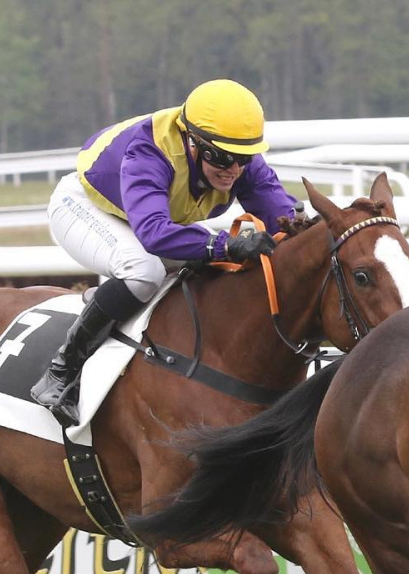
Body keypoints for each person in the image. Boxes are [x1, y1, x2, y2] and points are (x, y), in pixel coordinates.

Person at [31, 79, 296, 426]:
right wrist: (225, 244)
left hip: (147, 218)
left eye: (244, 158)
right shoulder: (150, 151)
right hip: (86, 207)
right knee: (144, 272)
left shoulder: (237, 159)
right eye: (221, 157)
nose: (233, 168)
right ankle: (61, 369)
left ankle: (118, 308)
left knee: (220, 264)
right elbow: (155, 234)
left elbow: (285, 219)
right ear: (193, 142)